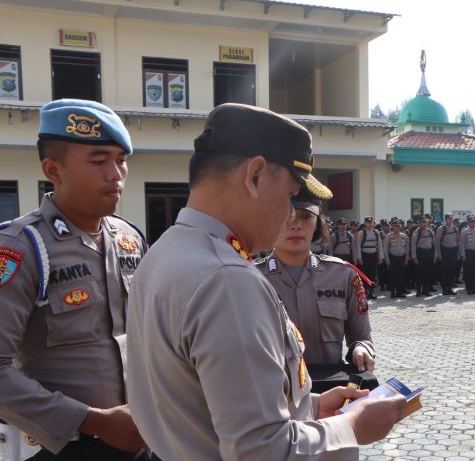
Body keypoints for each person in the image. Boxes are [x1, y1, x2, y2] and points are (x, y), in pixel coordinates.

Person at [125, 104, 404, 461]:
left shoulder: (164, 252)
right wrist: (351, 427)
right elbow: (261, 450)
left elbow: (209, 403)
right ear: (254, 176)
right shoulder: (227, 281)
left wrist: (309, 407)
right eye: (290, 196)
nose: (290, 215)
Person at [0, 99, 149, 460]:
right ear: (54, 169)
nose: (115, 174)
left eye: (121, 160)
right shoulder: (22, 248)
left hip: (141, 442)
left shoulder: (130, 239)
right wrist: (94, 421)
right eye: (99, 161)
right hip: (61, 448)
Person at [257, 194, 376, 388]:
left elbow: (361, 337)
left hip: (333, 386)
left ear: (317, 223)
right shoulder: (251, 278)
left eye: (305, 217)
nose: (296, 225)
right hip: (274, 393)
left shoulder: (342, 275)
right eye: (287, 216)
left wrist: (361, 349)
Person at [354, 217, 384, 299]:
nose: (370, 224)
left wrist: (381, 257)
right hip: (364, 255)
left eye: (371, 222)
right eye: (368, 222)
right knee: (364, 275)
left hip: (373, 255)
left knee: (373, 275)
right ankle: (365, 293)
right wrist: (359, 258)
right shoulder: (361, 232)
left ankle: (371, 292)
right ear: (365, 223)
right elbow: (358, 246)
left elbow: (380, 245)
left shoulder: (376, 232)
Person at [411, 216, 437, 296]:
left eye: (426, 222)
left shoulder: (430, 232)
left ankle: (426, 290)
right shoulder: (416, 232)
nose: (425, 224)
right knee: (419, 274)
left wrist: (435, 255)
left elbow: (434, 244)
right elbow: (413, 245)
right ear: (420, 223)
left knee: (428, 273)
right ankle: (419, 291)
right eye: (423, 222)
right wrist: (414, 257)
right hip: (420, 254)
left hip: (429, 253)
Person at [384, 220, 410, 298]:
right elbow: (385, 249)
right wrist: (387, 260)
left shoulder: (404, 236)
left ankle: (399, 292)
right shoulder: (388, 236)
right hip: (392, 258)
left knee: (400, 276)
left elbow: (407, 248)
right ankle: (393, 292)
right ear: (392, 227)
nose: (397, 227)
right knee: (392, 276)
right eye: (396, 226)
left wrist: (406, 259)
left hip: (401, 258)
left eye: (399, 226)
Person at [435, 213, 460, 295]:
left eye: (451, 219)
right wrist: (438, 254)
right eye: (448, 219)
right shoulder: (441, 229)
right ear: (445, 220)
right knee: (443, 272)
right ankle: (444, 289)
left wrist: (458, 254)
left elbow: (457, 242)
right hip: (444, 251)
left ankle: (449, 288)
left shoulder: (455, 229)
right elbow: (437, 242)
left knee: (451, 271)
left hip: (453, 251)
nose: (450, 220)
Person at [459, 216, 475, 295]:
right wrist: (463, 254)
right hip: (468, 253)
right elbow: (462, 243)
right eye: (471, 222)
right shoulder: (464, 231)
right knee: (468, 271)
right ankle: (469, 288)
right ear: (468, 222)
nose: (473, 223)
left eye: (474, 221)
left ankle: (473, 287)